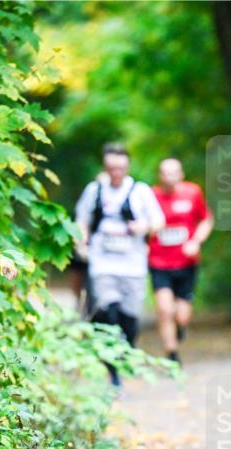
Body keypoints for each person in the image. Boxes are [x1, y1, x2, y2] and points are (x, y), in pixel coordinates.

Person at [75, 143, 166, 388]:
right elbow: (81, 221)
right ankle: (113, 371)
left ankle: (127, 350)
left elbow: (159, 221)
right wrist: (82, 237)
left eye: (121, 168)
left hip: (133, 265)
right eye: (112, 167)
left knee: (129, 318)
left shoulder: (140, 191)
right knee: (107, 313)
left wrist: (143, 227)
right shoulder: (94, 190)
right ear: (105, 166)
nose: (116, 172)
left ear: (127, 167)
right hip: (102, 264)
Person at [149, 158, 214, 365]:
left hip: (186, 262)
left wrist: (195, 241)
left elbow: (206, 219)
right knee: (164, 309)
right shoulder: (151, 196)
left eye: (174, 172)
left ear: (181, 174)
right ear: (159, 176)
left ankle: (180, 327)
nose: (169, 177)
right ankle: (172, 354)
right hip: (158, 261)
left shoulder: (192, 192)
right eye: (165, 173)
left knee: (182, 315)